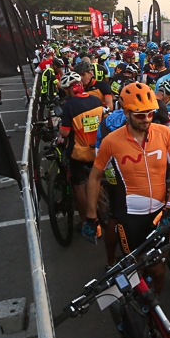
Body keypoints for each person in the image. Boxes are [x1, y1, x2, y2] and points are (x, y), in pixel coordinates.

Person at [87, 83, 170, 294]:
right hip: (129, 218)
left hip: (159, 215)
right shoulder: (112, 141)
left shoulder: (164, 134)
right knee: (136, 271)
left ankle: (154, 309)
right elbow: (94, 177)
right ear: (126, 112)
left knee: (158, 270)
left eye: (150, 113)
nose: (146, 119)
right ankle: (136, 303)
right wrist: (91, 216)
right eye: (140, 115)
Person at [57, 72, 106, 239]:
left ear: (70, 89)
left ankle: (86, 222)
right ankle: (103, 212)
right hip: (97, 149)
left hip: (78, 152)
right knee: (97, 180)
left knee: (79, 187)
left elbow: (65, 132)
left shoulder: (70, 105)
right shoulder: (95, 99)